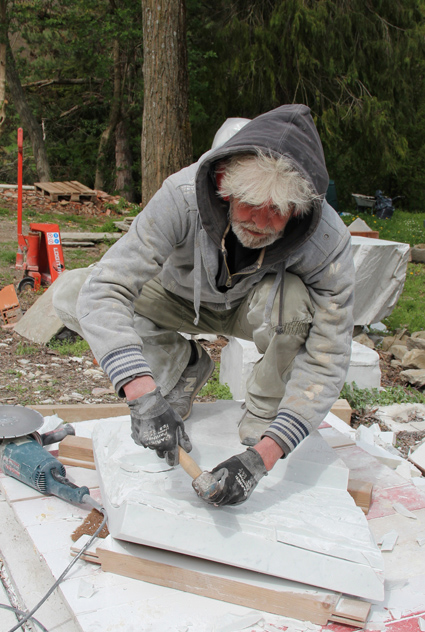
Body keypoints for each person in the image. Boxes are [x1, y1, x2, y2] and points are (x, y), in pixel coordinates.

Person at [53, 104, 355, 508]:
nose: (261, 221)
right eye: (250, 202)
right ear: (223, 184)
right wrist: (140, 392)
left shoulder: (325, 240)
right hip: (176, 297)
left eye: (278, 211)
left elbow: (328, 356)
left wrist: (264, 456)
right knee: (75, 291)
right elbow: (107, 288)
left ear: (299, 209)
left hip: (257, 309)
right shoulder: (182, 197)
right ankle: (182, 368)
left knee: (298, 306)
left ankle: (266, 411)